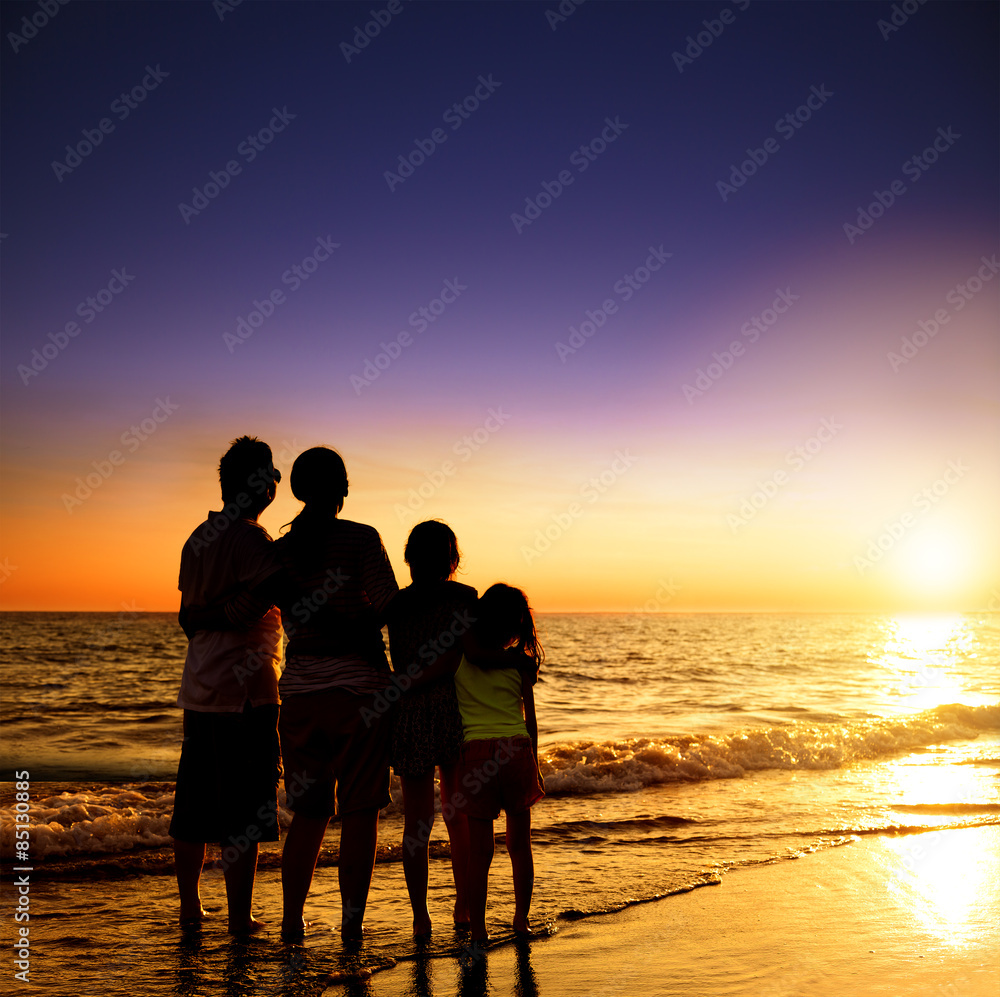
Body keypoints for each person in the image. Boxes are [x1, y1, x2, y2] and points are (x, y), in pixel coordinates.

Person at [273, 446, 398, 944]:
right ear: (343, 489)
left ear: (298, 491)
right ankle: (351, 925)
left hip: (300, 692)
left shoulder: (281, 551)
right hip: (359, 692)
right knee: (359, 812)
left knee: (309, 812)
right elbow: (388, 605)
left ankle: (291, 920)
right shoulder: (361, 539)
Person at [169, 435, 285, 935]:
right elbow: (268, 595)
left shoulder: (197, 536)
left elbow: (186, 617)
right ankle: (240, 917)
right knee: (244, 811)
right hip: (246, 692)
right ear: (258, 484)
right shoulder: (251, 539)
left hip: (199, 687)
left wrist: (207, 615)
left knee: (193, 805)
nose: (277, 483)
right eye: (273, 475)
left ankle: (191, 906)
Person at [386, 521, 478, 936]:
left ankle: (420, 917)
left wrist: (403, 682)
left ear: (409, 557)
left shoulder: (396, 603)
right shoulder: (464, 598)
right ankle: (463, 905)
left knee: (417, 823)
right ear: (453, 559)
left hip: (407, 712)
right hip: (448, 707)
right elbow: (456, 657)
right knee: (457, 815)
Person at [453, 584, 545, 943]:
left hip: (475, 754)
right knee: (520, 845)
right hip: (517, 750)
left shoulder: (462, 656)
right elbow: (531, 721)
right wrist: (534, 763)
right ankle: (521, 920)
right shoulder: (520, 665)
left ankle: (478, 930)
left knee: (480, 851)